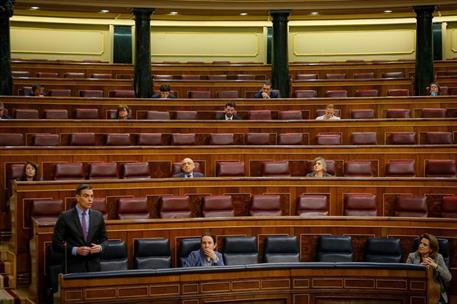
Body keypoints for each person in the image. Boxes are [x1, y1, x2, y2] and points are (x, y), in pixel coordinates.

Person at [52, 184, 108, 273]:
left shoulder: (98, 216)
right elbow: (56, 244)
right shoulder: (65, 217)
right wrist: (75, 250)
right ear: (77, 198)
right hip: (73, 266)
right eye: (86, 196)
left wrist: (100, 247)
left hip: (93, 266)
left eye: (92, 196)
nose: (90, 199)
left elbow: (105, 240)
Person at [406, 233, 452, 304]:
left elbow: (448, 278)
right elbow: (406, 274)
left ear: (431, 249)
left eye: (425, 244)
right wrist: (418, 268)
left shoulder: (438, 257)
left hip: (435, 293)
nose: (420, 246)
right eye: (420, 243)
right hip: (416, 291)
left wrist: (436, 266)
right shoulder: (412, 256)